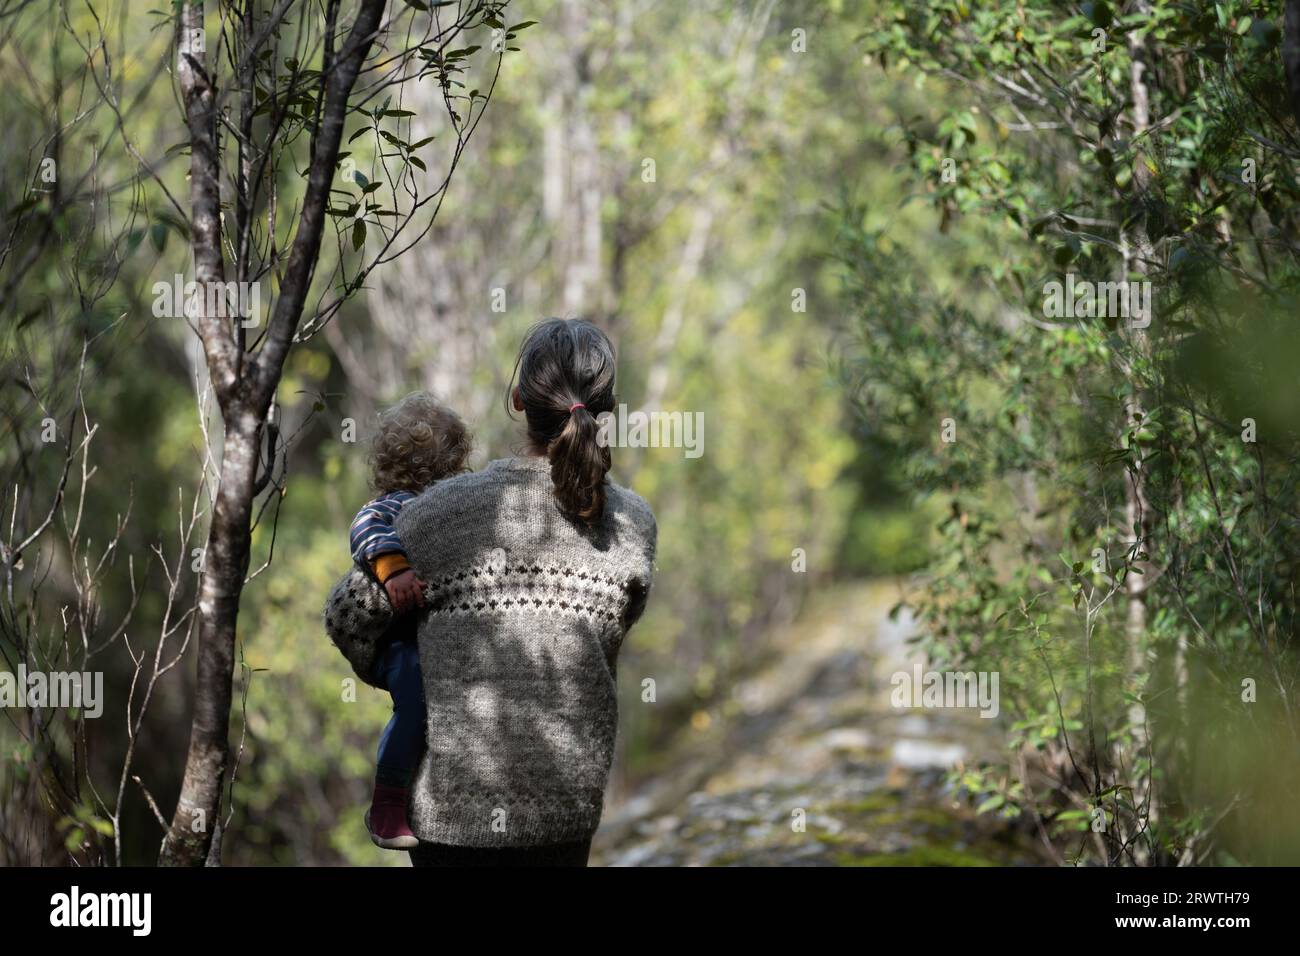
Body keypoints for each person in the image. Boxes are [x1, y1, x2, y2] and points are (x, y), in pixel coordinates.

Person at [331, 317, 657, 866]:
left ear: (518, 401)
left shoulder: (435, 513)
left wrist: (408, 672)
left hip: (451, 821)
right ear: (606, 414)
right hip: (567, 811)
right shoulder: (631, 523)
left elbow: (347, 617)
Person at [346, 391, 471, 849]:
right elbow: (364, 528)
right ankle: (386, 805)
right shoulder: (393, 504)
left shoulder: (447, 507)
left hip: (427, 639)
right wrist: (392, 569)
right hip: (395, 646)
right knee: (416, 697)